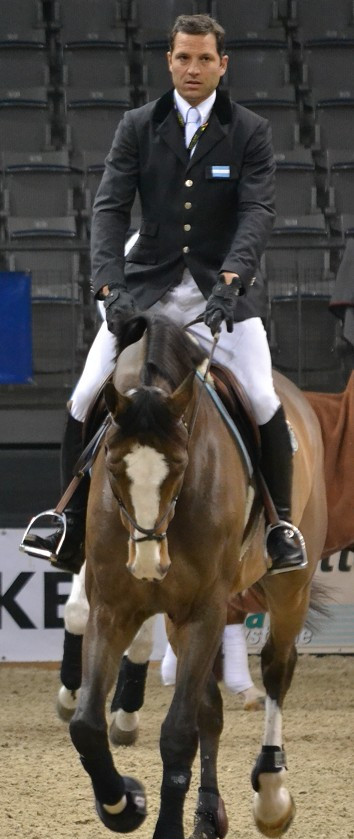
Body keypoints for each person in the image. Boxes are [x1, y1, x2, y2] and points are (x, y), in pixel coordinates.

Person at [22, 13, 307, 575]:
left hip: (221, 293)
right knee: (83, 397)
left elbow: (256, 212)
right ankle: (67, 522)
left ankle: (280, 527)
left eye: (204, 58)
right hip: (146, 287)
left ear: (222, 65)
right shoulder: (138, 125)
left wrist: (231, 282)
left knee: (261, 396)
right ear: (169, 61)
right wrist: (111, 288)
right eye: (183, 57)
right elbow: (108, 209)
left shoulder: (249, 130)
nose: (193, 68)